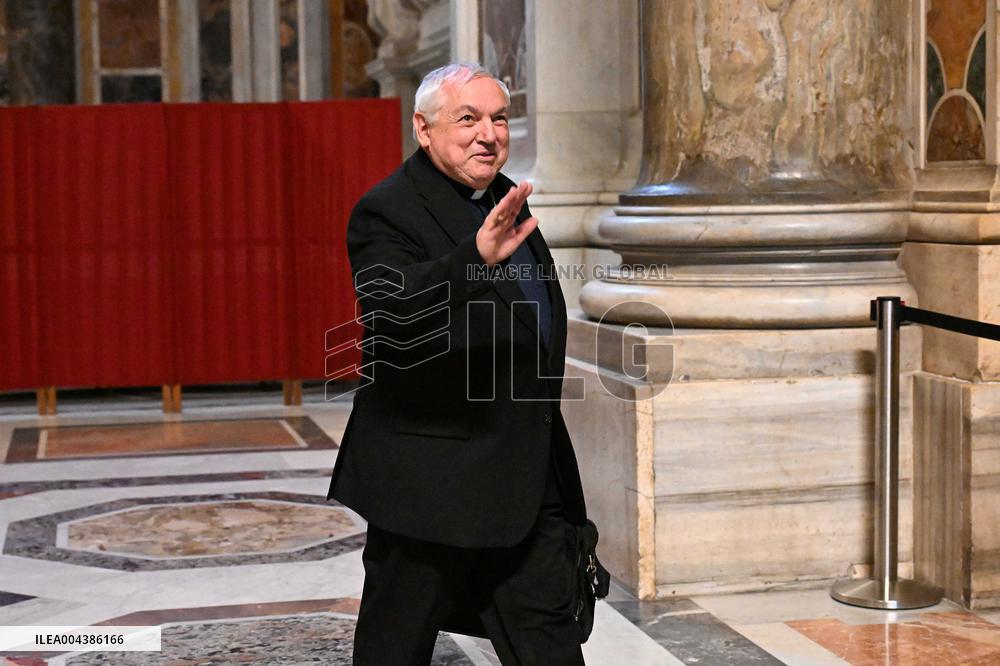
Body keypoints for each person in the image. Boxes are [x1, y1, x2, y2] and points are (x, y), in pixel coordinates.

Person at [327, 62, 589, 666]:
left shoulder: (505, 198)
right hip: (432, 486)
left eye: (499, 118)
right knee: (394, 648)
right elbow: (390, 311)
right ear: (424, 129)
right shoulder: (387, 210)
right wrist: (472, 257)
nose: (488, 134)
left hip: (525, 482)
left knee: (550, 643)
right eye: (467, 118)